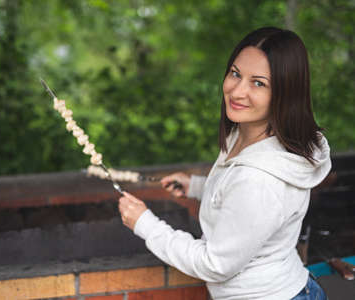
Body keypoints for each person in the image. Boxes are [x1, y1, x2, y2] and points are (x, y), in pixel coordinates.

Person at [118, 27, 331, 300]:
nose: (237, 91)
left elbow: (215, 264)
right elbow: (240, 201)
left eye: (258, 83)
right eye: (235, 73)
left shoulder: (259, 179)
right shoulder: (246, 135)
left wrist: (145, 224)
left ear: (285, 94)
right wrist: (197, 187)